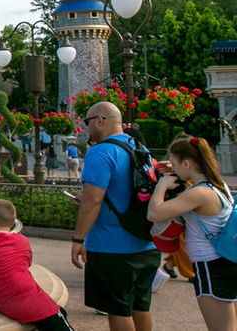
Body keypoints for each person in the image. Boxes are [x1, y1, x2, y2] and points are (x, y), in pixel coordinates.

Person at [71, 101, 159, 331]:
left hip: (113, 247)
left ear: (100, 120)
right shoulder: (138, 146)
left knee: (118, 309)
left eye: (87, 122)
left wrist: (79, 239)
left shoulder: (100, 151)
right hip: (145, 242)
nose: (87, 127)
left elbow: (93, 199)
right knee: (140, 306)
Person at [146, 137, 235, 330]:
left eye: (176, 164)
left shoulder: (199, 193)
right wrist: (175, 169)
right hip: (226, 262)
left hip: (210, 266)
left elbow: (154, 214)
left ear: (187, 163)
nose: (174, 169)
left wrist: (162, 184)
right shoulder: (220, 187)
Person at [0, 199, 74, 330]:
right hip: (29, 298)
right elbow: (27, 264)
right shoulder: (22, 240)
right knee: (57, 317)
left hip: (19, 302)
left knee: (60, 313)